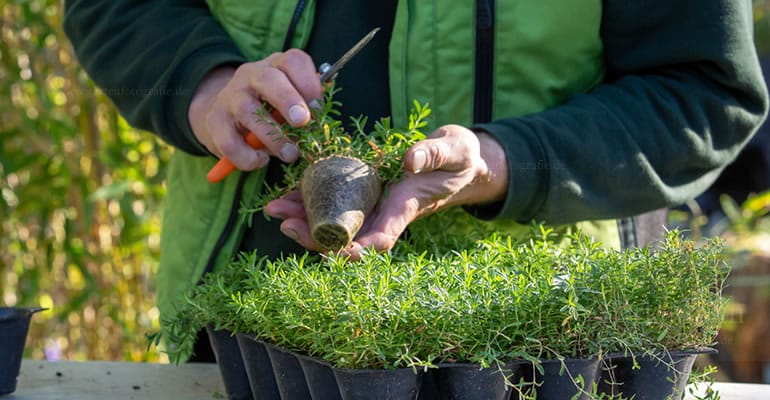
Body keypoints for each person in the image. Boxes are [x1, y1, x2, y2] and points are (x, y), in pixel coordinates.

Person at [63, 0, 768, 361]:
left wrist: (504, 160)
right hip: (251, 329)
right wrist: (206, 85)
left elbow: (703, 94)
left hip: (554, 330)